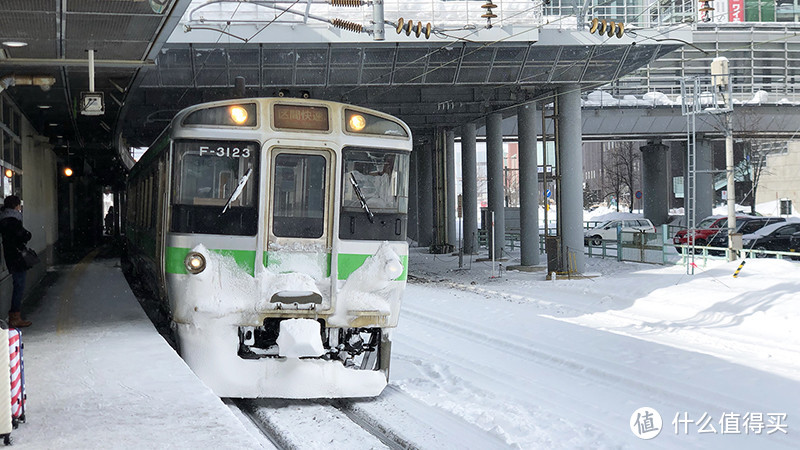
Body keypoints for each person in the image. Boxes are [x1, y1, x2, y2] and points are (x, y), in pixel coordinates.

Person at [0, 195, 33, 327]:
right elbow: (23, 235)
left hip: (10, 256)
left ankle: (15, 315)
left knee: (18, 284)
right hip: (17, 257)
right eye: (19, 205)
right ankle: (15, 316)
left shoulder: (4, 219)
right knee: (19, 286)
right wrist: (26, 235)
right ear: (16, 206)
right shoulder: (13, 220)